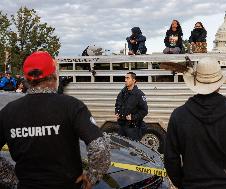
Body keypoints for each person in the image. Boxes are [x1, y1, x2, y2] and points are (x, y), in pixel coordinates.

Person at [0, 51, 110, 189]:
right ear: (53, 76)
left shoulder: (8, 111)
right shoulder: (72, 106)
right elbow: (100, 147)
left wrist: (11, 178)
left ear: (27, 80)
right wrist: (92, 176)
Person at [164, 57, 226, 189]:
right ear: (220, 84)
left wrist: (182, 183)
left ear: (195, 83)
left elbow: (170, 158)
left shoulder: (178, 116)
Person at [115, 72, 148, 140]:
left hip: (133, 128)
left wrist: (133, 117)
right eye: (125, 78)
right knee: (120, 147)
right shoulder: (122, 93)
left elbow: (144, 111)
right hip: (122, 126)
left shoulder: (139, 94)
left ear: (134, 80)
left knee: (132, 149)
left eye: (128, 78)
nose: (125, 80)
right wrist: (117, 113)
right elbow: (117, 105)